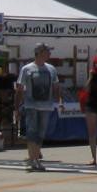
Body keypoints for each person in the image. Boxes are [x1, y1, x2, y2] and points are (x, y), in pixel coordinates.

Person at [15, 43, 62, 172]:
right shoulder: (27, 69)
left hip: (46, 106)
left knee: (41, 133)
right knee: (32, 131)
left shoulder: (51, 69)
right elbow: (19, 89)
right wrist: (17, 108)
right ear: (40, 53)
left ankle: (35, 157)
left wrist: (59, 102)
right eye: (47, 52)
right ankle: (34, 159)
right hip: (31, 105)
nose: (49, 54)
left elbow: (56, 86)